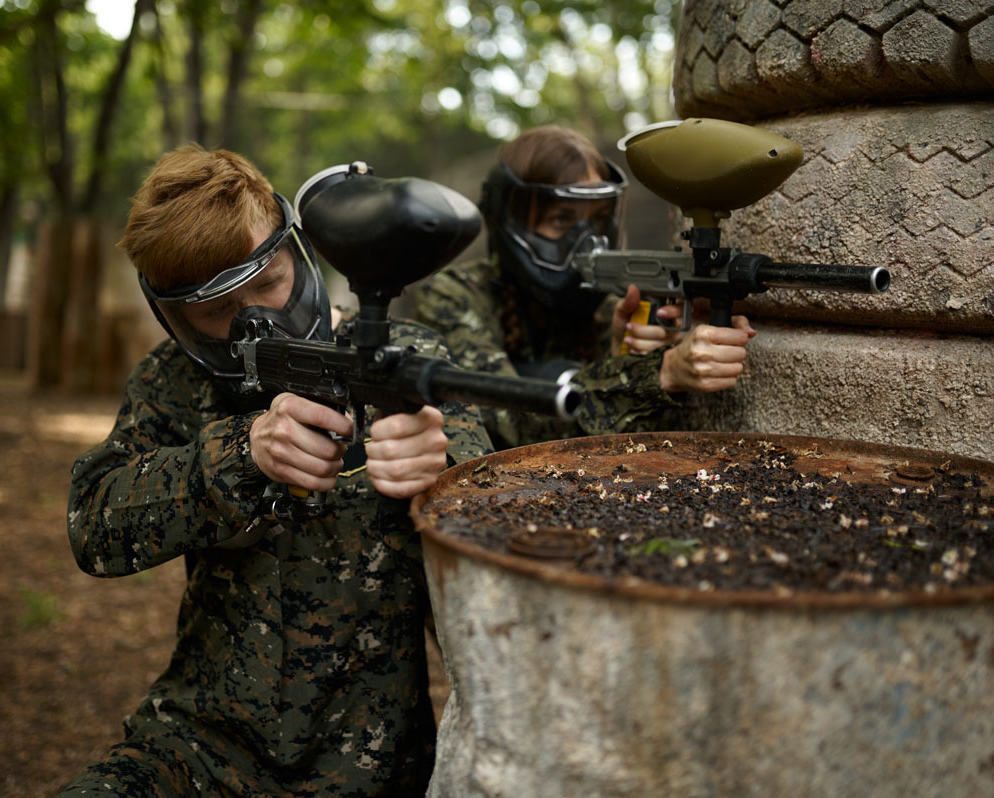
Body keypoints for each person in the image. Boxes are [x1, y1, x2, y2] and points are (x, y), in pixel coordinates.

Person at [59, 144, 491, 797]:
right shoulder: (172, 381)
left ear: (300, 253)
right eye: (216, 311)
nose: (255, 318)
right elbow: (93, 522)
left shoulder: (408, 359)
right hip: (197, 750)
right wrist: (236, 454)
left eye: (267, 284)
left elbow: (498, 513)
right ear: (175, 318)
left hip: (371, 768)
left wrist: (442, 469)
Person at [412, 124, 755, 450]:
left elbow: (631, 444)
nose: (587, 241)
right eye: (561, 219)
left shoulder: (609, 306)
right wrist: (659, 373)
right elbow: (506, 426)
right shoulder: (453, 297)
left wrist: (628, 356)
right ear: (510, 220)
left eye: (597, 220)